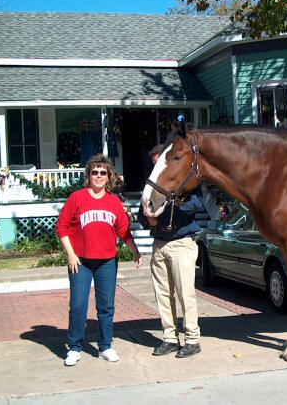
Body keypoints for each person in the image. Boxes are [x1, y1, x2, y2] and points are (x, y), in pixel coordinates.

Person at [57, 154, 141, 366]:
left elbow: (123, 230)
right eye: (94, 172)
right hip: (81, 262)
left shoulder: (114, 201)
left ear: (109, 176)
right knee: (78, 305)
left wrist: (135, 252)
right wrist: (71, 254)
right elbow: (62, 227)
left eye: (103, 172)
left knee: (106, 307)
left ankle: (105, 346)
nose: (98, 176)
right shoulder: (77, 197)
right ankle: (75, 347)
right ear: (89, 175)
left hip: (106, 262)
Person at [138, 144, 205, 358]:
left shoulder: (186, 184)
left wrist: (170, 202)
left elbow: (197, 204)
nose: (158, 168)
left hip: (181, 243)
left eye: (161, 163)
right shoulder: (153, 186)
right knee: (163, 295)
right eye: (155, 165)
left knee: (185, 293)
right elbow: (142, 214)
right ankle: (170, 338)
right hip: (159, 243)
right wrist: (147, 219)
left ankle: (192, 339)